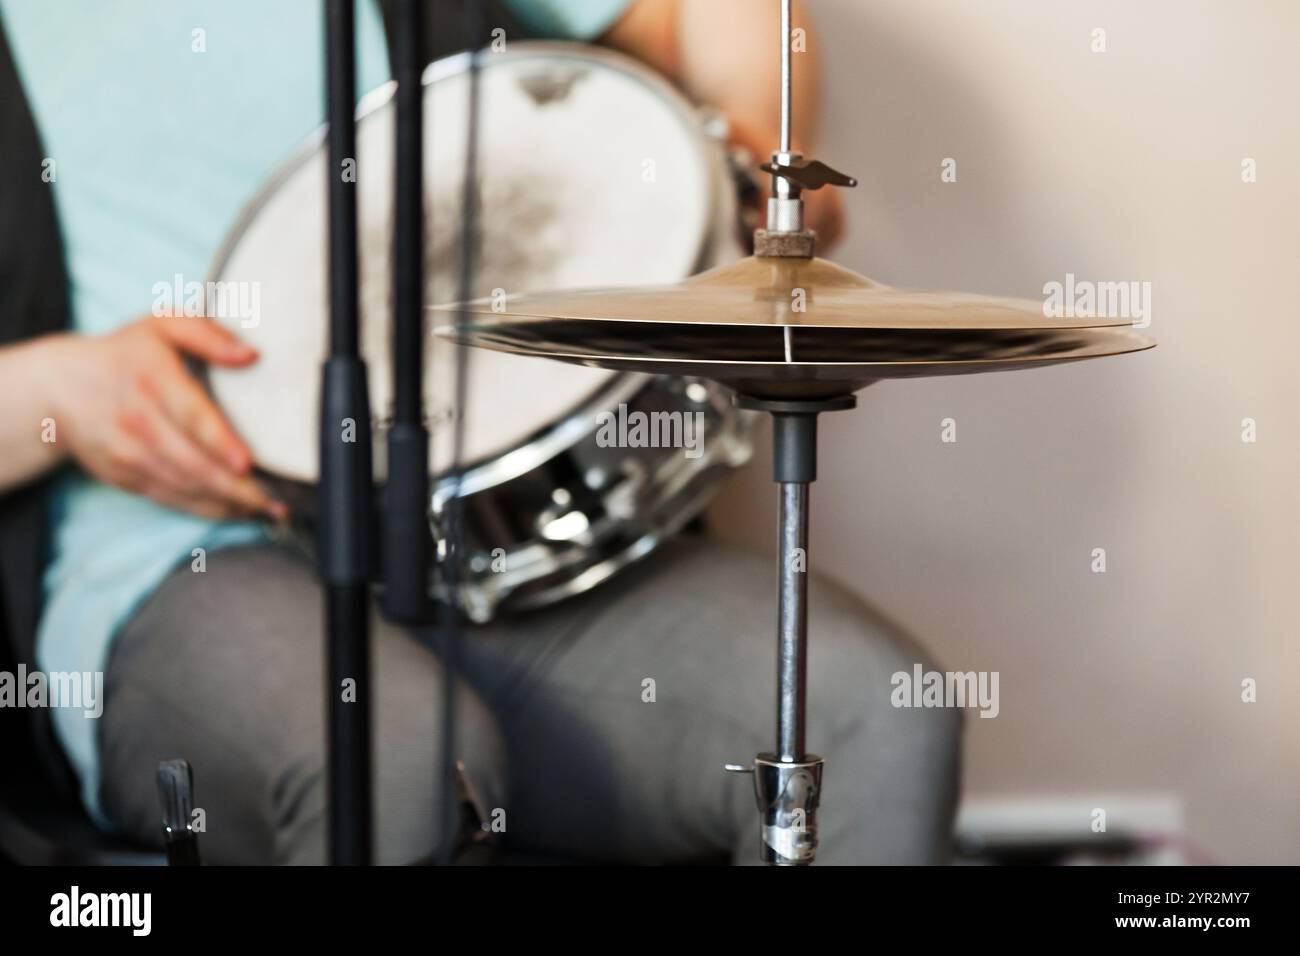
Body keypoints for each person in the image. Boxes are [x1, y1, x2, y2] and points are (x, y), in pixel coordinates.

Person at [0, 0, 958, 864]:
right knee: (393, 758)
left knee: (862, 713)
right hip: (181, 555)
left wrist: (759, 136)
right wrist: (53, 391)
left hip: (495, 527)